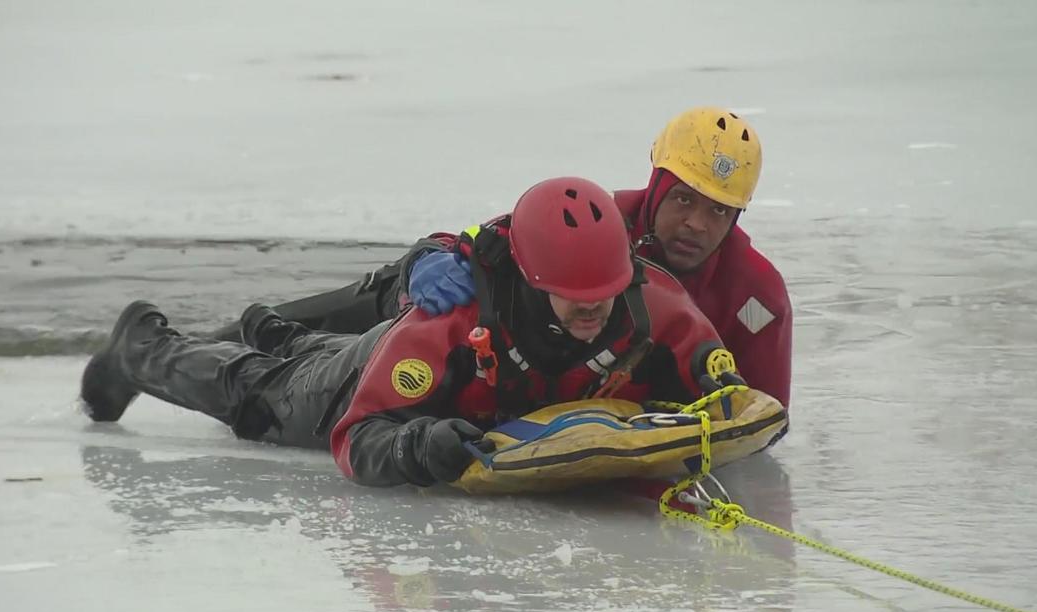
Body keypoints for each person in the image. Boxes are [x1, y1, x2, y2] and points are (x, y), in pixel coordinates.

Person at [82, 177, 750, 486]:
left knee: (308, 348)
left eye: (603, 296)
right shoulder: (454, 319)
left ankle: (270, 327)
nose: (592, 313)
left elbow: (725, 380)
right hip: (365, 386)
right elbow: (355, 437)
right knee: (258, 393)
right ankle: (140, 345)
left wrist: (715, 407)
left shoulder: (652, 302)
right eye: (572, 299)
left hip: (420, 376)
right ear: (530, 279)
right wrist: (420, 448)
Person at [212, 108, 793, 407]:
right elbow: (483, 242)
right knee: (418, 294)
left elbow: (762, 415)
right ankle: (233, 333)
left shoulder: (757, 298)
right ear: (657, 185)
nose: (696, 223)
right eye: (685, 200)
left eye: (719, 211)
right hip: (429, 307)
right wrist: (428, 258)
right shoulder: (594, 217)